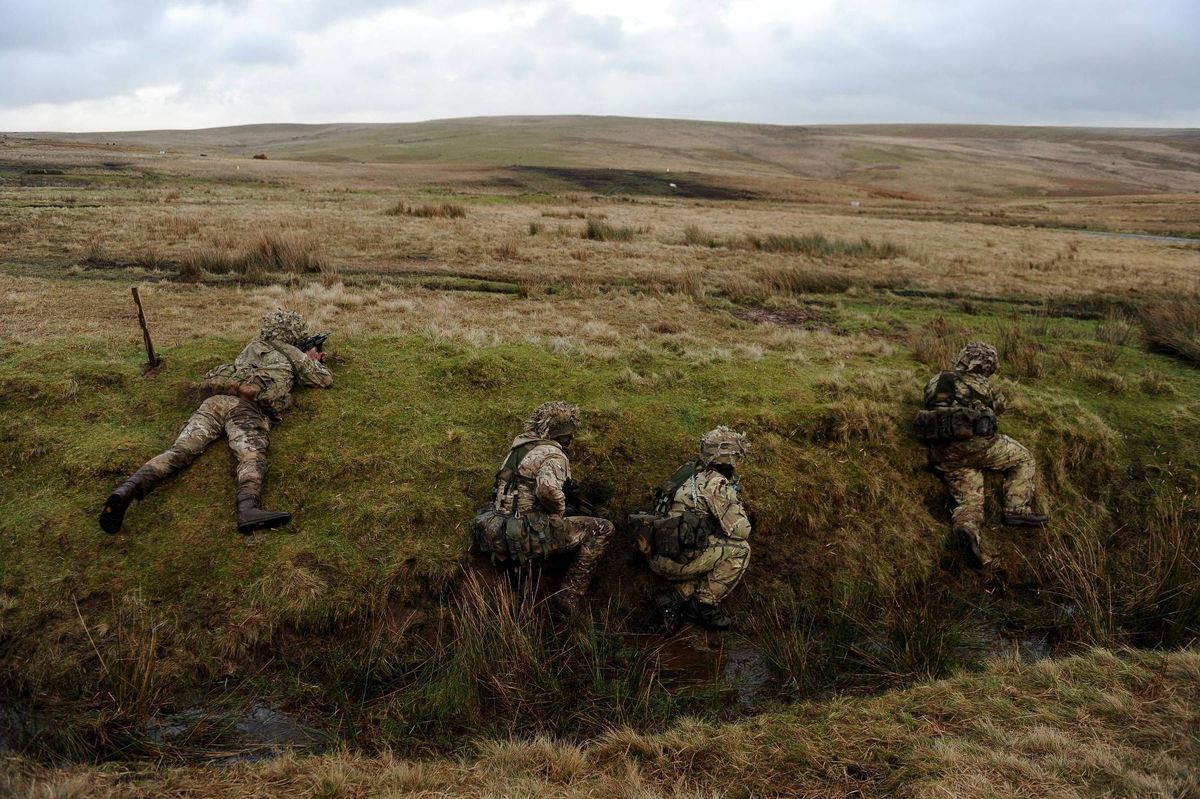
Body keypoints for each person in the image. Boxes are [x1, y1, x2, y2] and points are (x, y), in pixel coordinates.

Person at [99, 308, 333, 536]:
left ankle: (127, 490)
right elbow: (323, 380)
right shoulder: (293, 354)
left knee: (180, 450)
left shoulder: (252, 346)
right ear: (294, 333)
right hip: (246, 409)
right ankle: (248, 508)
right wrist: (312, 359)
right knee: (251, 455)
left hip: (214, 402)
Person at [471, 401, 615, 616]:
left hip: (498, 528)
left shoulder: (519, 449)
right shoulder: (553, 454)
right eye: (569, 434)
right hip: (526, 534)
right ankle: (569, 596)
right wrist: (559, 512)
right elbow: (546, 490)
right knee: (603, 529)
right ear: (562, 435)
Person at [916, 341, 1048, 569]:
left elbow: (931, 403)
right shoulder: (983, 385)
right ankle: (1017, 509)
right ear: (987, 365)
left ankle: (967, 530)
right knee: (1024, 458)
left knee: (970, 500)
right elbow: (1001, 406)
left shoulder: (936, 380)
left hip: (945, 454)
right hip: (979, 448)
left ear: (963, 358)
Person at [636, 427, 752, 632]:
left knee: (708, 548)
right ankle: (703, 604)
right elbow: (741, 531)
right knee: (741, 550)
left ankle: (676, 596)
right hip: (678, 559)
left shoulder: (687, 471)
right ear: (729, 458)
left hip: (657, 552)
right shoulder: (716, 483)